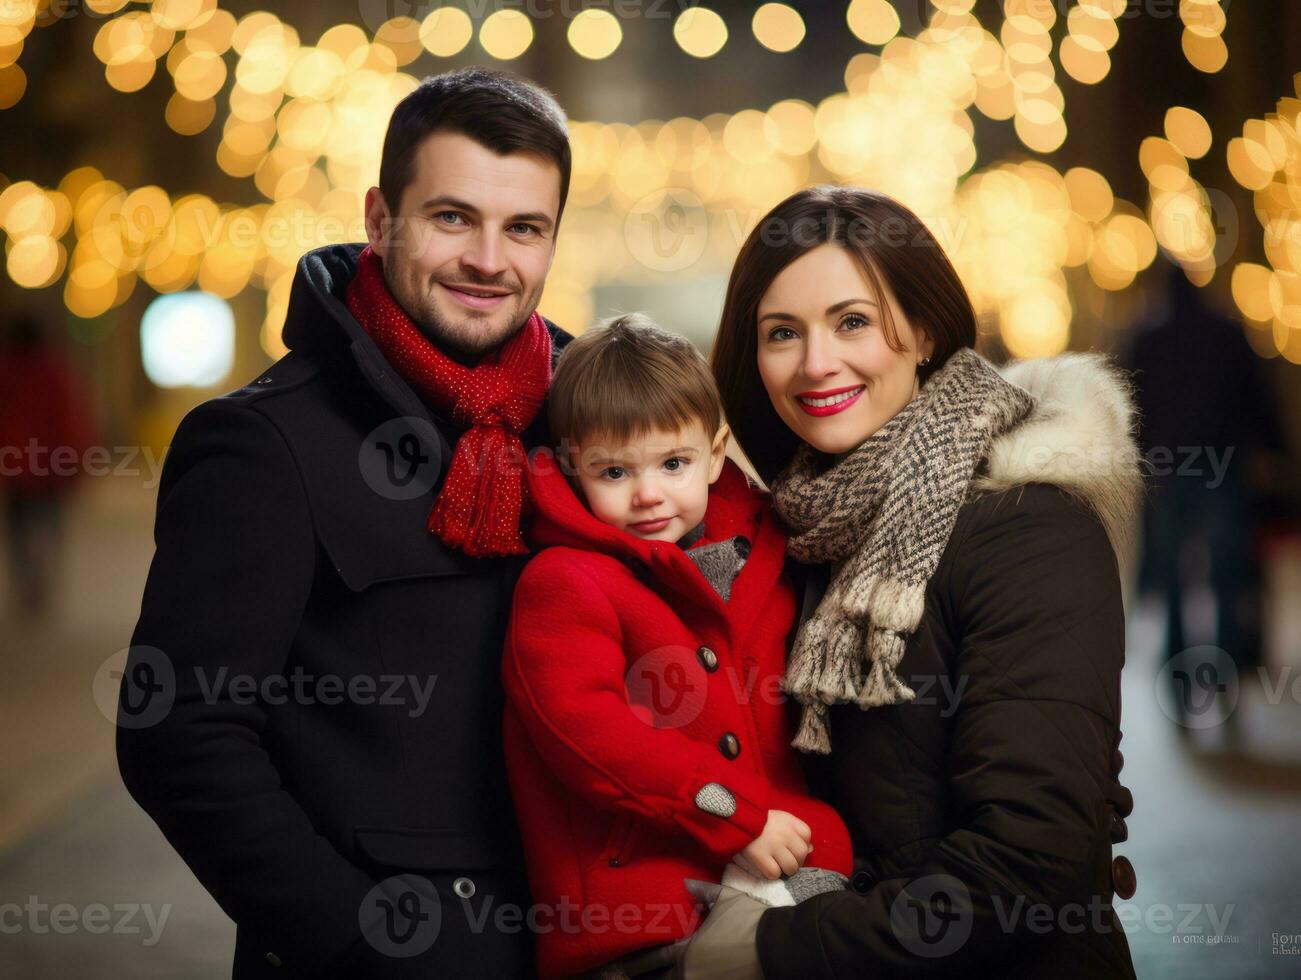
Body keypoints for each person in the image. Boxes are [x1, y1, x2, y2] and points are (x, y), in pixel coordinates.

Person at [117, 68, 573, 978]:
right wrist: (364, 941)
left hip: (583, 945)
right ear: (379, 220)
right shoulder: (262, 442)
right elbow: (178, 732)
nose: (490, 259)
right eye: (452, 218)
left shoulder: (585, 422)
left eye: (524, 227)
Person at [679, 185, 1141, 978]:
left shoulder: (1027, 526)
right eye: (781, 333)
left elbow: (1027, 866)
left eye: (851, 321)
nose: (815, 363)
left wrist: (765, 951)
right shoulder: (793, 534)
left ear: (922, 329)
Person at [501, 315, 854, 978]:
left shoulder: (761, 559)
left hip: (781, 868)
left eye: (672, 463)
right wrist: (735, 815)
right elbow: (587, 733)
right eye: (613, 471)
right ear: (573, 465)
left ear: (715, 454)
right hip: (641, 913)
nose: (648, 494)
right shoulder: (564, 582)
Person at [0, 312, 97, 617]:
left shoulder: (7, 371)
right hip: (51, 464)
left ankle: (29, 579)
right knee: (50, 522)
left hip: (16, 465)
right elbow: (70, 418)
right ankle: (43, 577)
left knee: (18, 526)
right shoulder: (56, 371)